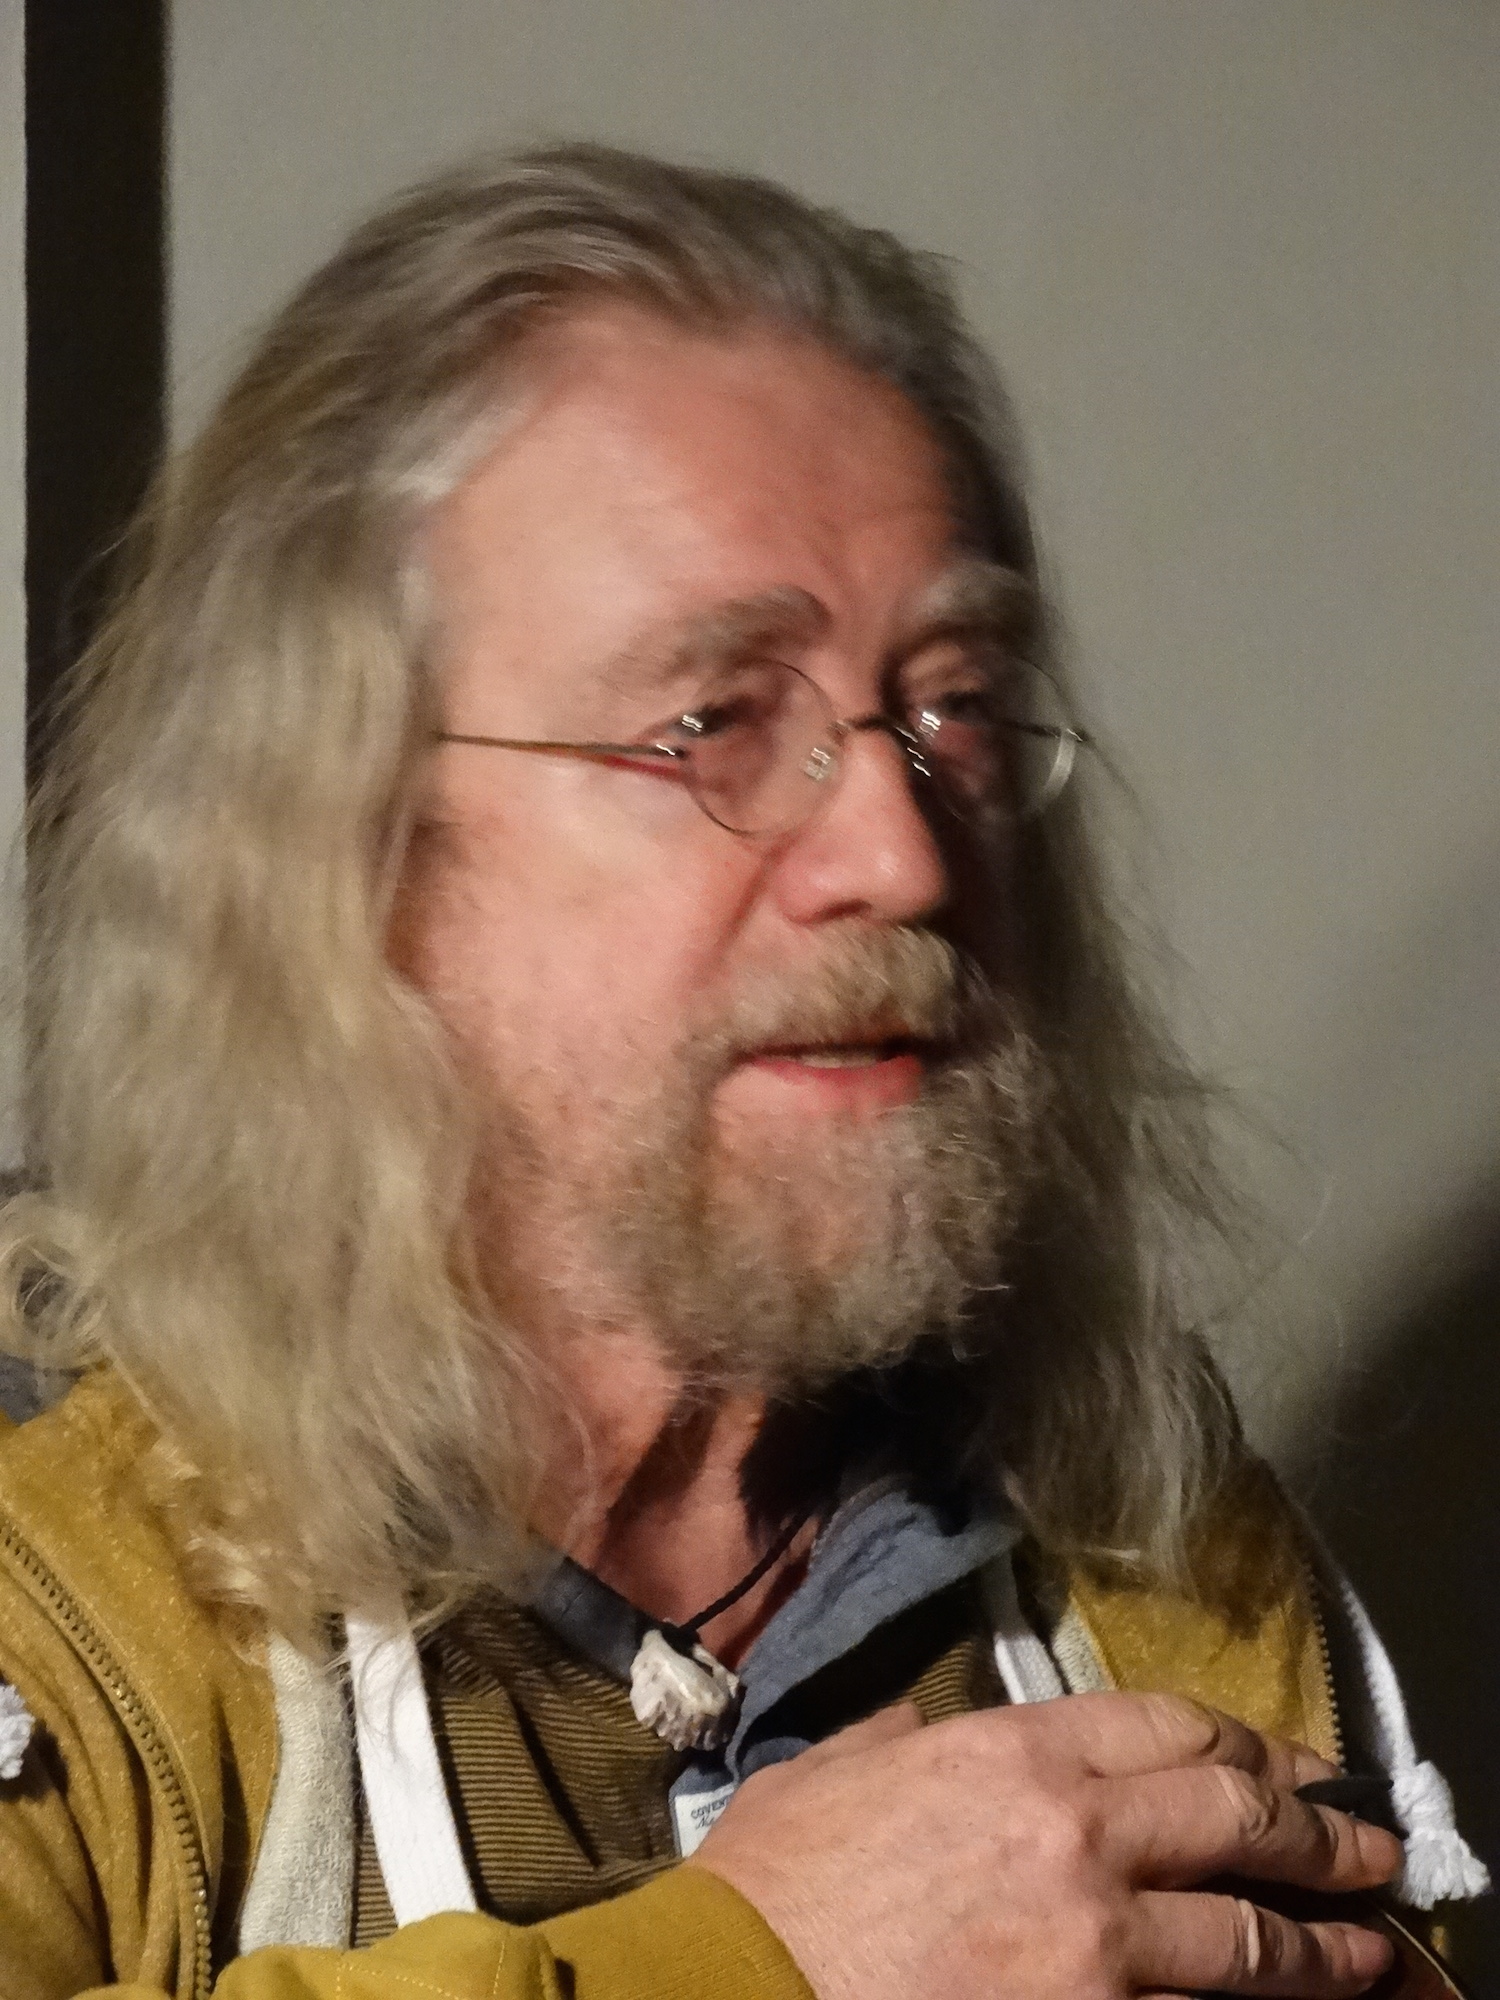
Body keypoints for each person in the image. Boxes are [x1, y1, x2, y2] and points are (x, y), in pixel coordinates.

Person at [0, 143, 1484, 2000]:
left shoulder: (1156, 1567)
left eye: (952, 703)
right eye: (711, 719)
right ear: (344, 843)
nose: (904, 852)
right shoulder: (50, 1593)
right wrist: (761, 1961)